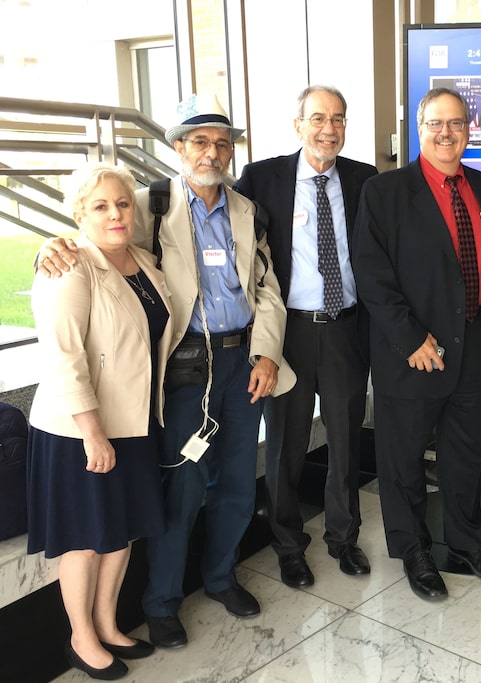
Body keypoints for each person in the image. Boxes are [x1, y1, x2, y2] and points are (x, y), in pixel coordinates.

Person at [36, 94, 295, 651]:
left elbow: (266, 288)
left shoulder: (247, 210)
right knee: (180, 489)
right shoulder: (149, 206)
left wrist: (267, 354)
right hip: (180, 370)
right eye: (200, 142)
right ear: (178, 149)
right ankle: (161, 603)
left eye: (222, 144)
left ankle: (222, 577)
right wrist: (51, 246)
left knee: (233, 486)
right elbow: (93, 241)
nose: (213, 152)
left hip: (242, 363)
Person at [353, 87, 481, 602]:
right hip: (413, 352)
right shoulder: (386, 191)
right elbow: (372, 276)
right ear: (419, 130)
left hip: (473, 344)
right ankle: (413, 550)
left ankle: (466, 542)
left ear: (469, 129)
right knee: (402, 460)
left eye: (456, 123)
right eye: (435, 123)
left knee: (465, 454)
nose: (446, 133)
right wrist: (409, 337)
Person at [28, 162, 174, 680]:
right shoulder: (68, 266)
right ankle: (81, 638)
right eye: (100, 206)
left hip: (135, 423)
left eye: (122, 203)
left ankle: (108, 625)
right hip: (80, 429)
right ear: (78, 215)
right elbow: (64, 357)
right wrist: (92, 431)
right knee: (85, 538)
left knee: (122, 532)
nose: (115, 214)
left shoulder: (145, 262)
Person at [234, 85, 378, 588]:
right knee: (285, 447)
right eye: (318, 118)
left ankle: (343, 538)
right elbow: (206, 217)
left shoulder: (364, 180)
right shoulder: (261, 177)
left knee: (345, 441)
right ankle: (289, 545)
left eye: (338, 119)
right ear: (298, 125)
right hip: (288, 333)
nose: (329, 129)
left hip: (345, 331)